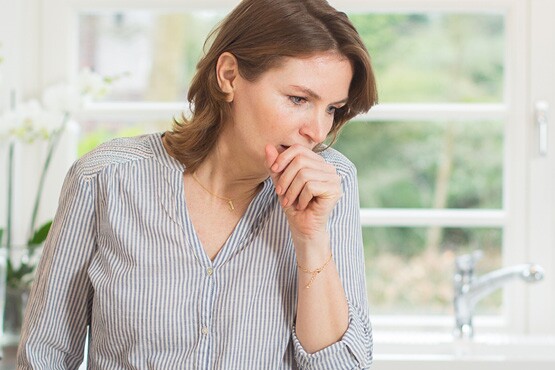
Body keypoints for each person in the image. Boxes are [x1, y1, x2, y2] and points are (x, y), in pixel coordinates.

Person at [17, 0, 378, 368]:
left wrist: (310, 239)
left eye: (332, 108)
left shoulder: (330, 185)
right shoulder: (107, 180)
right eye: (298, 99)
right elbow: (44, 354)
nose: (317, 131)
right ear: (229, 75)